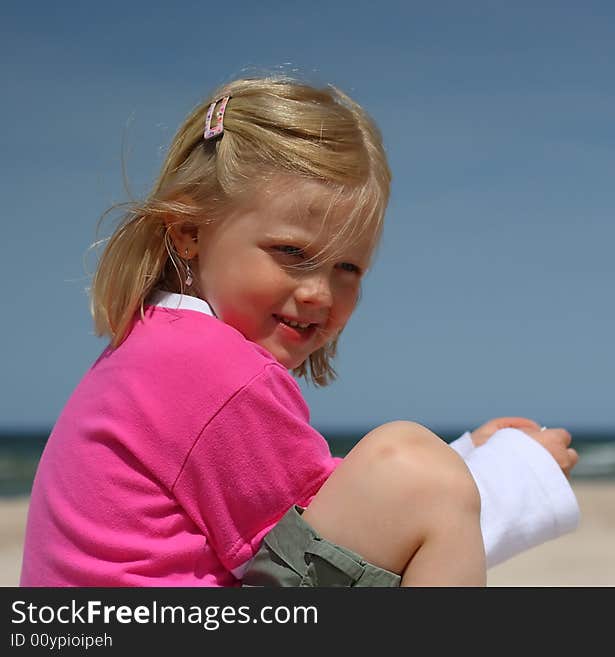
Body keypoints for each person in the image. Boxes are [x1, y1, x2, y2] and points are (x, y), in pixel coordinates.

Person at [20, 77, 579, 587]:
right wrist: (513, 475)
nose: (319, 292)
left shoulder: (154, 346)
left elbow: (336, 518)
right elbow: (375, 518)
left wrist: (469, 457)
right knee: (415, 463)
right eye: (292, 252)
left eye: (348, 268)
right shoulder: (211, 372)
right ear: (190, 233)